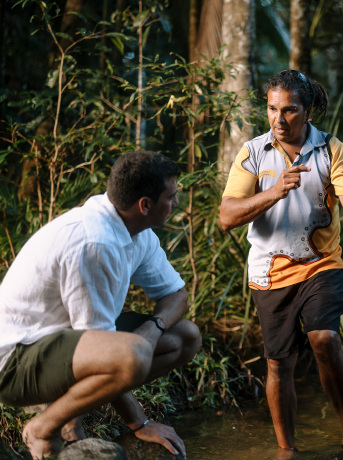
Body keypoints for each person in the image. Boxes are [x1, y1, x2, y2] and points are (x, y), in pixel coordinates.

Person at [219, 69, 343, 460]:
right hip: (268, 272)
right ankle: (286, 449)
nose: (278, 119)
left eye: (289, 110)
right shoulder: (253, 152)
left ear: (307, 111)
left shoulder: (330, 150)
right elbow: (227, 215)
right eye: (272, 109)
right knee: (278, 364)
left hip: (321, 264)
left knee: (324, 338)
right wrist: (275, 191)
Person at [0, 150, 202, 459]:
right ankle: (42, 428)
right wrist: (140, 423)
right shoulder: (95, 243)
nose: (176, 203)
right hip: (16, 361)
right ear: (145, 205)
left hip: (60, 342)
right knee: (131, 355)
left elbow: (177, 296)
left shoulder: (136, 229)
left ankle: (69, 417)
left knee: (184, 337)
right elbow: (109, 353)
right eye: (171, 196)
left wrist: (152, 329)